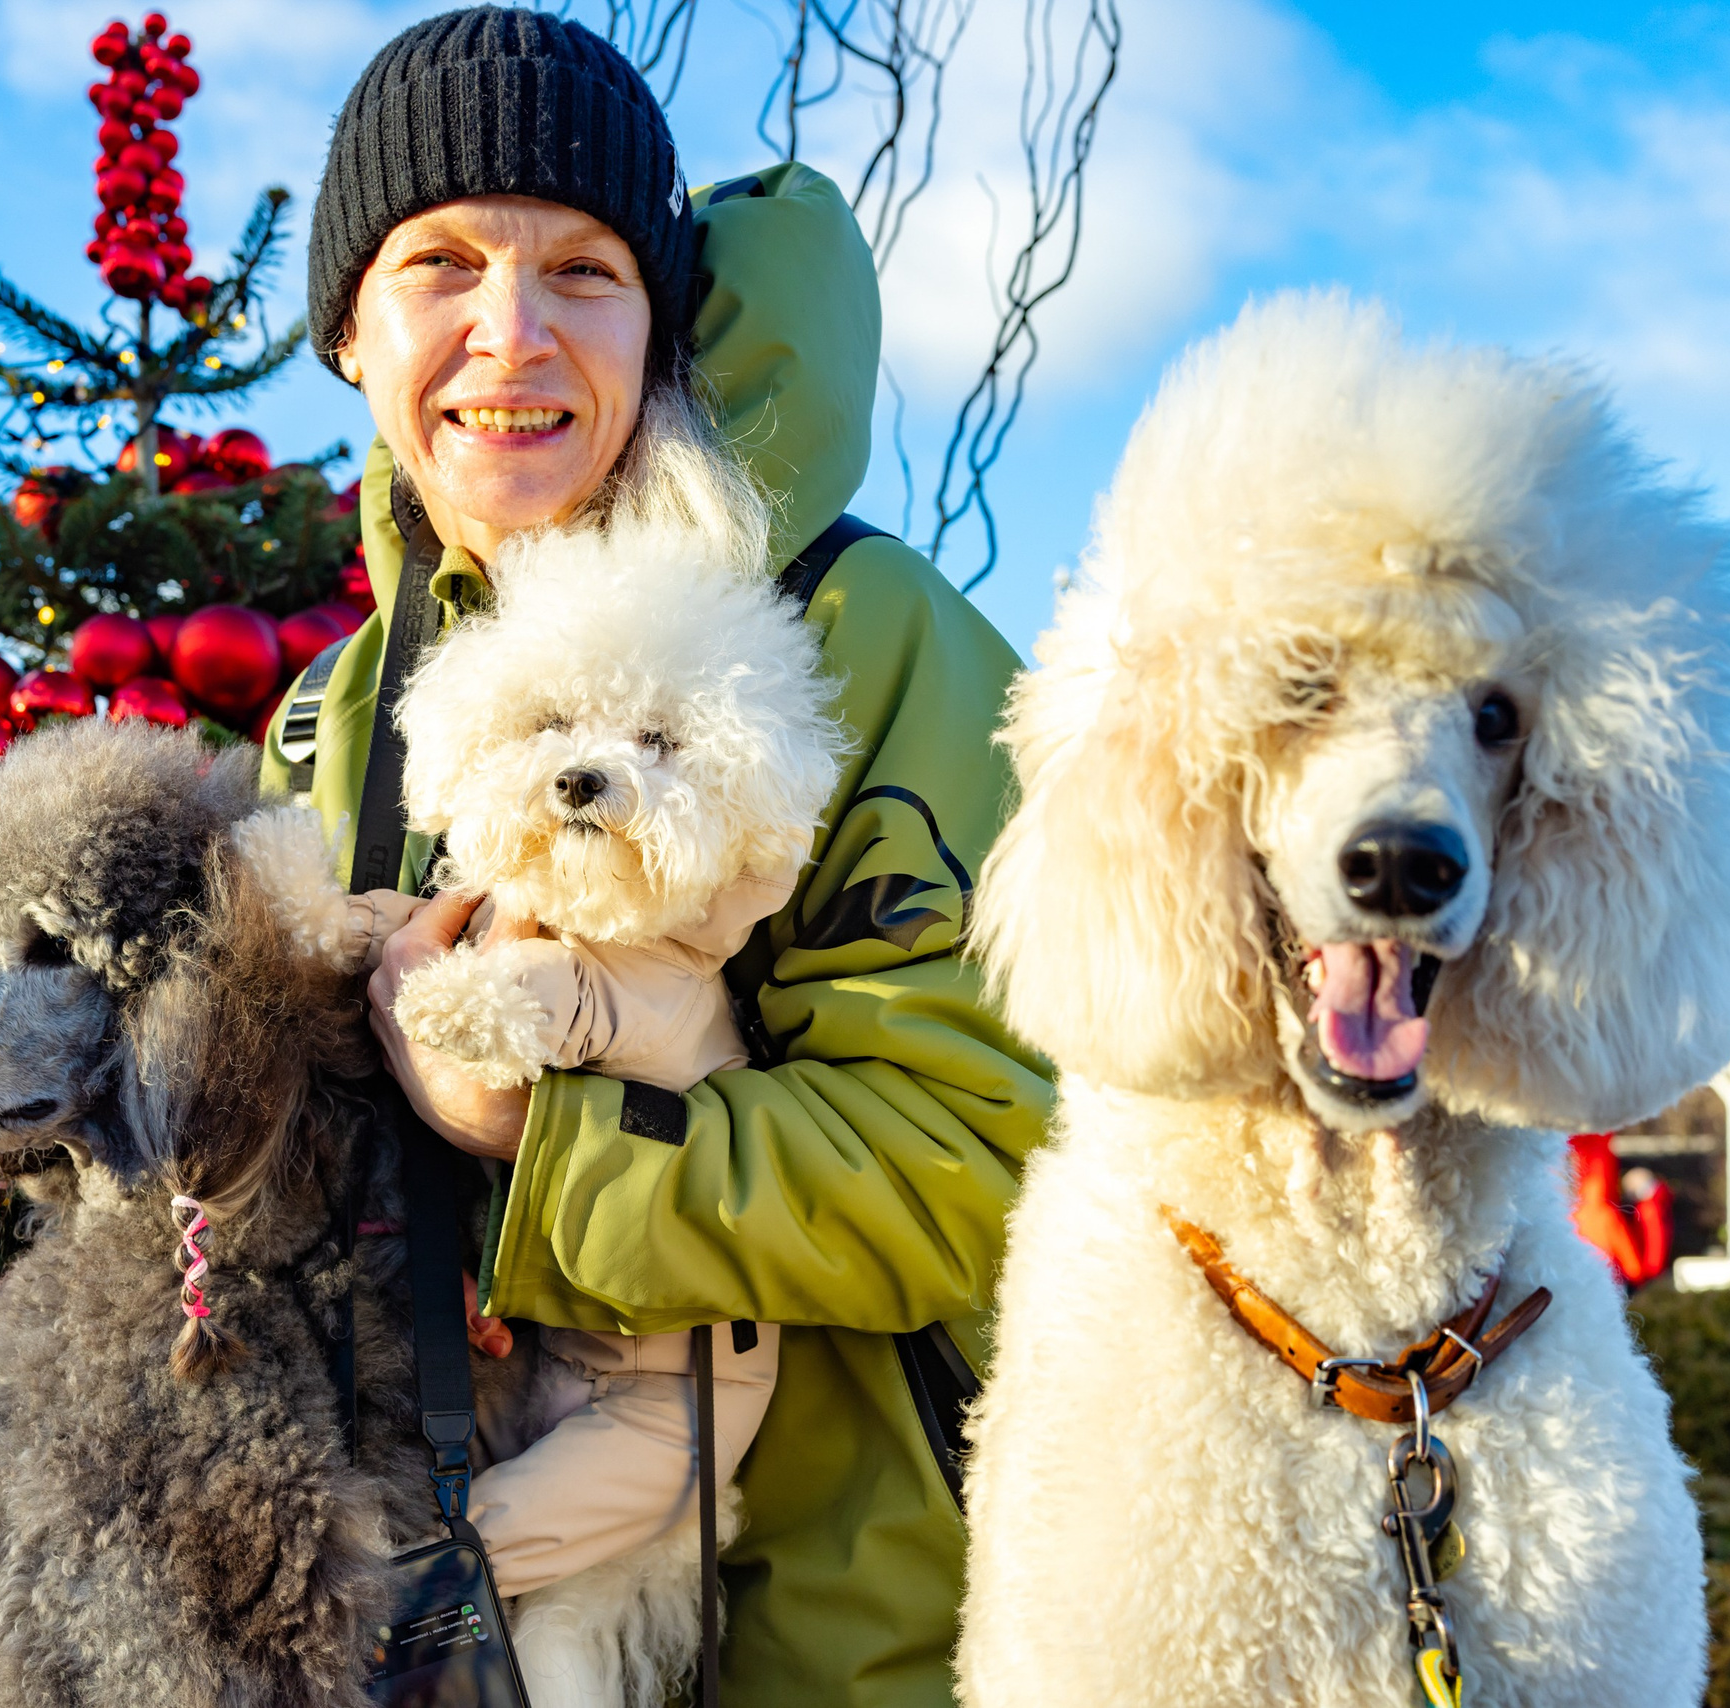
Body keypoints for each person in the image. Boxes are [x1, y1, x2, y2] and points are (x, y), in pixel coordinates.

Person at [264, 10, 1054, 1704]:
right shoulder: (326, 721)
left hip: (861, 1646)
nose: (511, 333)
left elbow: (1005, 1165)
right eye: (441, 263)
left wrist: (536, 1145)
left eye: (585, 270)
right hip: (447, 1646)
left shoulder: (863, 634)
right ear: (347, 329)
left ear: (661, 321)